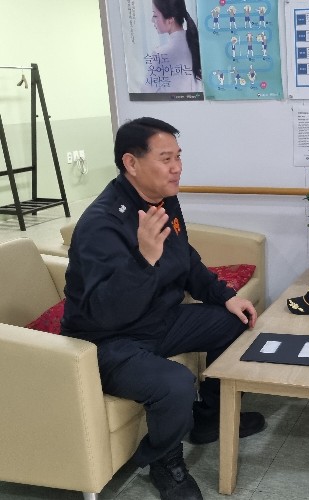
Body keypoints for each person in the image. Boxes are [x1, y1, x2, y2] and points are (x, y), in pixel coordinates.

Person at [61, 117, 265, 500]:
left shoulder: (163, 200)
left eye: (178, 157)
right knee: (175, 384)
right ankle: (164, 461)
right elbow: (103, 310)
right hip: (108, 341)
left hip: (159, 320)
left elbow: (185, 258)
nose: (177, 168)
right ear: (131, 163)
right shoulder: (99, 225)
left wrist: (225, 295)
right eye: (166, 158)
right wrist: (143, 260)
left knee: (234, 321)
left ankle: (209, 419)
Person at [147, 0, 202, 93]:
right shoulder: (196, 44)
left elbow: (147, 92)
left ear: (170, 19)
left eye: (155, 15)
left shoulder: (161, 54)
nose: (152, 20)